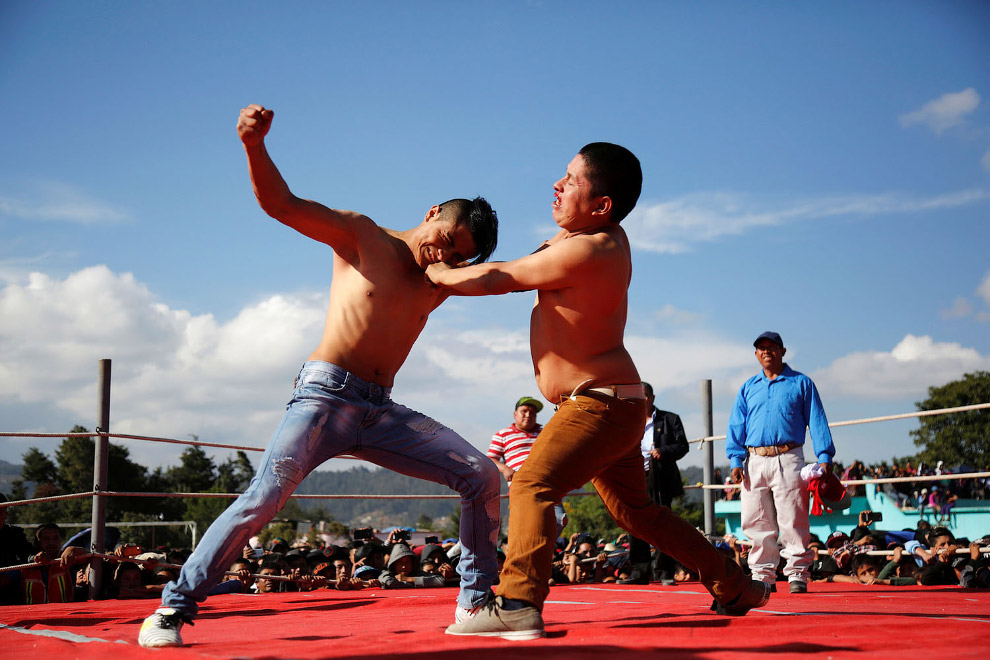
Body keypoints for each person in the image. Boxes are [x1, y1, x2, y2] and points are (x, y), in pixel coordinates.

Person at [138, 104, 502, 647]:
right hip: (324, 397)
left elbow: (507, 279)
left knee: (482, 474)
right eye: (447, 238)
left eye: (457, 255)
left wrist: (561, 252)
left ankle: (475, 603)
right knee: (264, 498)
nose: (442, 253)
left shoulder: (440, 280)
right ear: (433, 212)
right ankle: (171, 609)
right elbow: (280, 205)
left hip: (381, 412)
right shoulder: (363, 236)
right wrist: (253, 145)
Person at [431, 142, 768, 640]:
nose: (556, 185)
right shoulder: (585, 239)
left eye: (571, 180)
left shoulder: (593, 247)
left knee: (530, 484)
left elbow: (502, 277)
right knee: (638, 513)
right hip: (615, 402)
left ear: (602, 206)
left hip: (600, 402)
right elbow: (518, 264)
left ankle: (518, 602)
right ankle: (735, 584)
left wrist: (436, 271)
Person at [726, 331, 836, 595]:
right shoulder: (748, 387)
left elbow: (817, 419)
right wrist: (735, 459)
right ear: (756, 355)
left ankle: (797, 573)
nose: (766, 352)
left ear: (783, 351)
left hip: (789, 456)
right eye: (761, 348)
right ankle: (763, 574)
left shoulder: (801, 383)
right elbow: (736, 425)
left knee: (793, 516)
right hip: (754, 459)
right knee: (756, 519)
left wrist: (824, 457)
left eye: (771, 347)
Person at [626, 381, 690, 583]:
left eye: (644, 395)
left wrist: (663, 452)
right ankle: (639, 571)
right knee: (635, 523)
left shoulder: (669, 419)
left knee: (662, 523)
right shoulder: (628, 421)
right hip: (635, 477)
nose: (641, 399)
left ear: (652, 398)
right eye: (637, 395)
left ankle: (664, 571)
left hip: (660, 478)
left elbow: (682, 446)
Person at [487, 396, 567, 534]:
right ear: (515, 414)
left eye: (533, 413)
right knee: (528, 526)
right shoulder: (503, 434)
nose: (528, 415)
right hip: (522, 485)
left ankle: (546, 551)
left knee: (559, 519)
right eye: (524, 411)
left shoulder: (545, 433)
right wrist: (506, 469)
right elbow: (490, 460)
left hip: (548, 484)